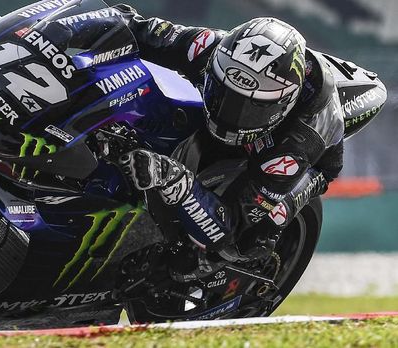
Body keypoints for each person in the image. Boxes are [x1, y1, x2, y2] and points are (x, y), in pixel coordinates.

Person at [114, 5, 345, 261]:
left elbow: (228, 228)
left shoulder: (298, 143)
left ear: (282, 105)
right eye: (224, 93)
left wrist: (174, 182)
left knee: (250, 237)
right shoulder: (212, 48)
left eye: (251, 108)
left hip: (308, 159)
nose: (230, 115)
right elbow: (135, 27)